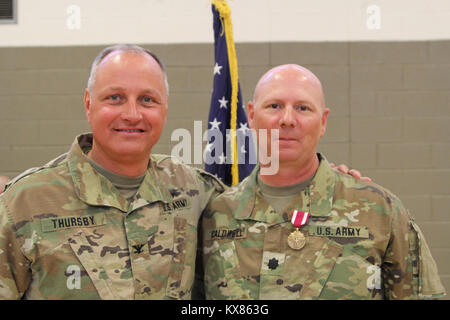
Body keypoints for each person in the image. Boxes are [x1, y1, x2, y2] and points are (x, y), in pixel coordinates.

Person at [200, 64, 446, 300]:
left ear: (323, 121)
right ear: (252, 116)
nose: (287, 119)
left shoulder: (379, 211)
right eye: (274, 106)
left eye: (303, 108)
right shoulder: (216, 215)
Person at [0, 45, 225, 300]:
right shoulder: (24, 202)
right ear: (88, 103)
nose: (132, 114)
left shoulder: (195, 190)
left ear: (165, 108)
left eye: (147, 100)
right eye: (115, 98)